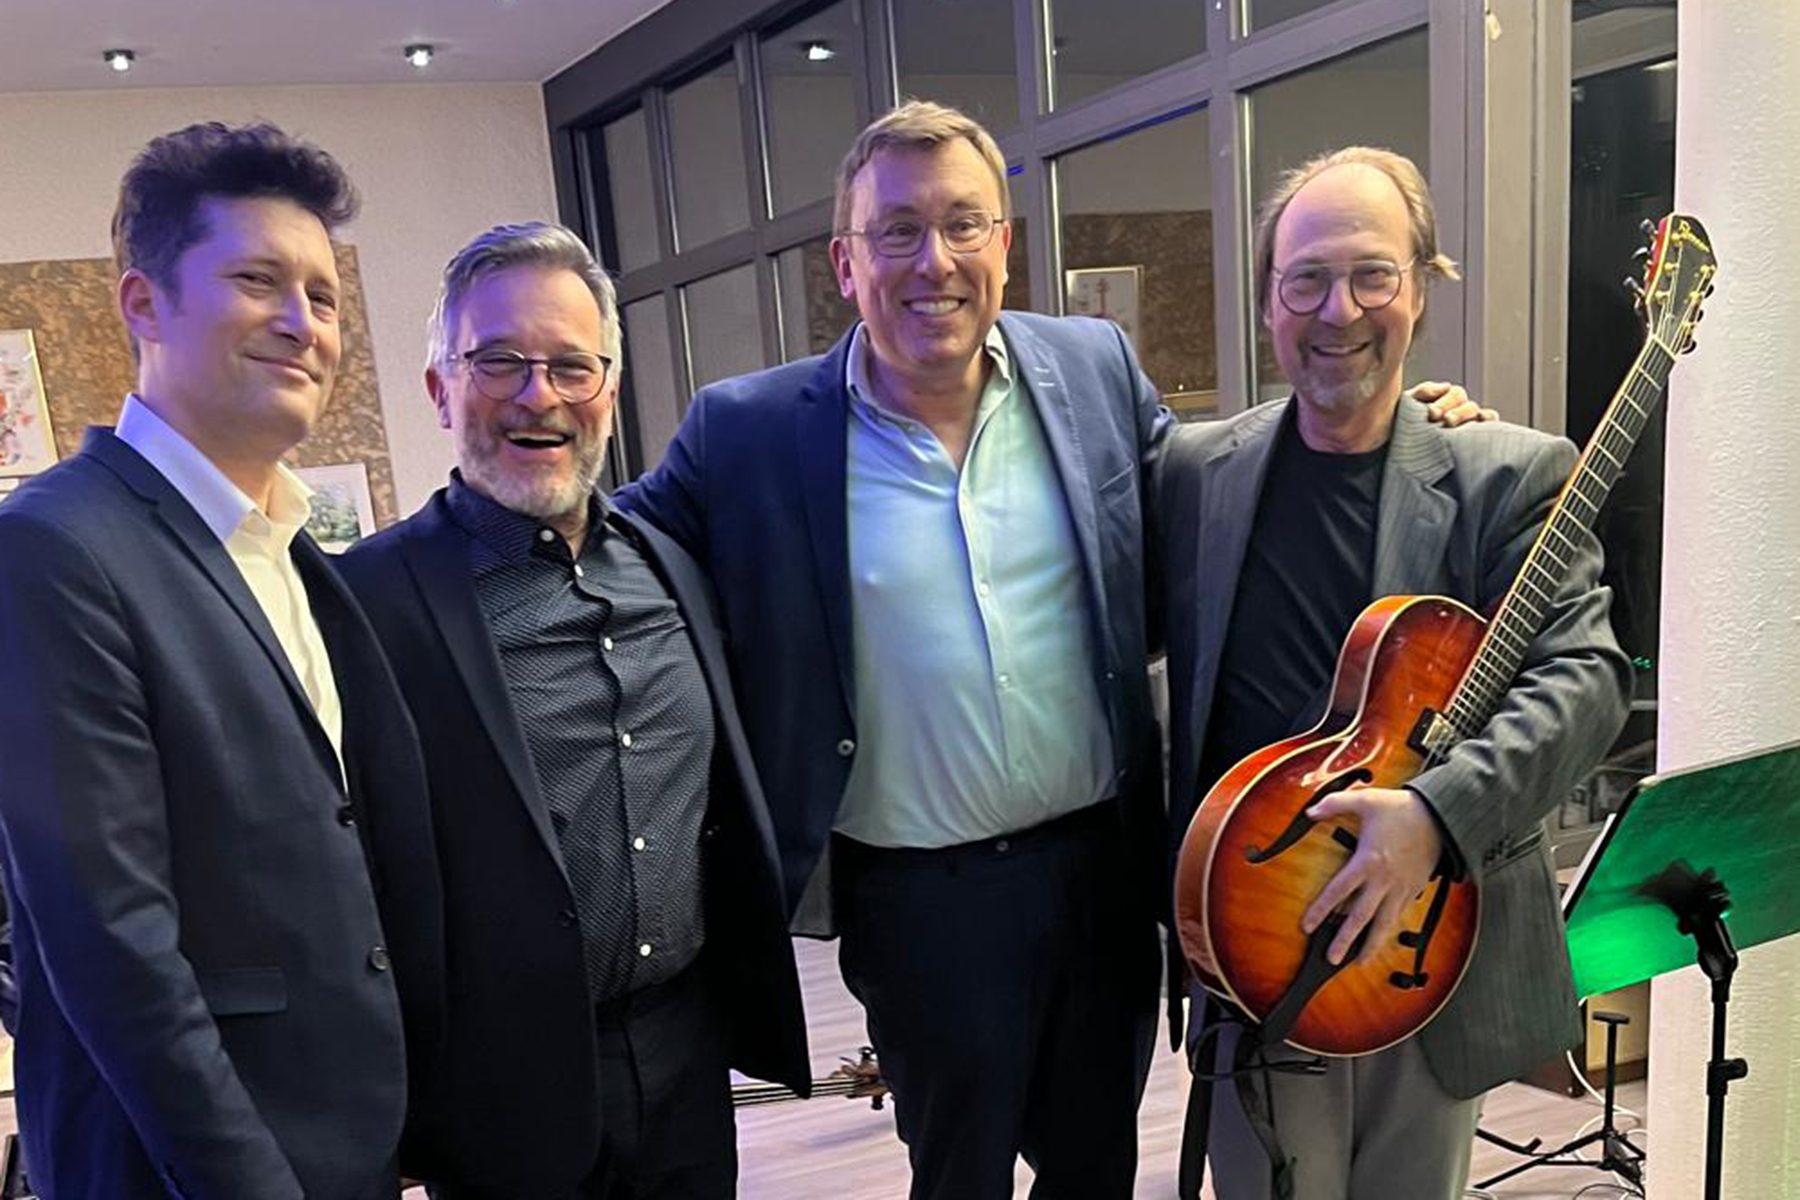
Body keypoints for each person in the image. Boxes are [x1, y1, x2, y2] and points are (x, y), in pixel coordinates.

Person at [1159, 146, 1632, 1200]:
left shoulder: (1505, 473)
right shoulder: (1194, 474)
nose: (1340, 311)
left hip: (1423, 952)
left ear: (1421, 286)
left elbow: (1586, 679)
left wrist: (1433, 814)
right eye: (1307, 280)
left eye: (1373, 275)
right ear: (1268, 302)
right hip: (1250, 951)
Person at [0, 122, 443, 1200]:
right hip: (191, 1166)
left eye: (324, 296)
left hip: (341, 1137)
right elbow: (113, 946)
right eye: (257, 281)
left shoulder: (291, 550)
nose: (303, 323)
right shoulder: (54, 549)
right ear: (142, 303)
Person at [335, 222, 808, 1199]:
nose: (538, 394)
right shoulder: (364, 603)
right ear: (439, 390)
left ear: (609, 390)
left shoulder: (675, 566)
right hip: (498, 1091)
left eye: (569, 365)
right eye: (498, 361)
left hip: (686, 1056)